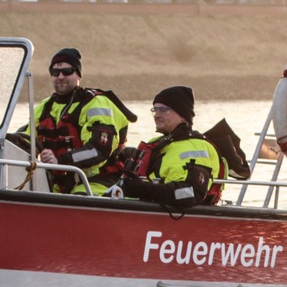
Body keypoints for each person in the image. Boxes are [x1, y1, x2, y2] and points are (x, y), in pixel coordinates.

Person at [22, 47, 135, 194]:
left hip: (99, 181)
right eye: (55, 72)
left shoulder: (96, 103)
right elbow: (26, 140)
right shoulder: (44, 107)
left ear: (78, 75)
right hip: (61, 184)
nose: (60, 76)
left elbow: (100, 148)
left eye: (67, 71)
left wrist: (60, 162)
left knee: (78, 197)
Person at [118, 85, 225, 207]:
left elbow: (189, 193)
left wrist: (143, 189)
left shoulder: (197, 147)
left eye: (163, 110)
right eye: (155, 110)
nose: (157, 115)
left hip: (171, 218)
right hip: (141, 211)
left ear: (182, 115)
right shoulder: (157, 143)